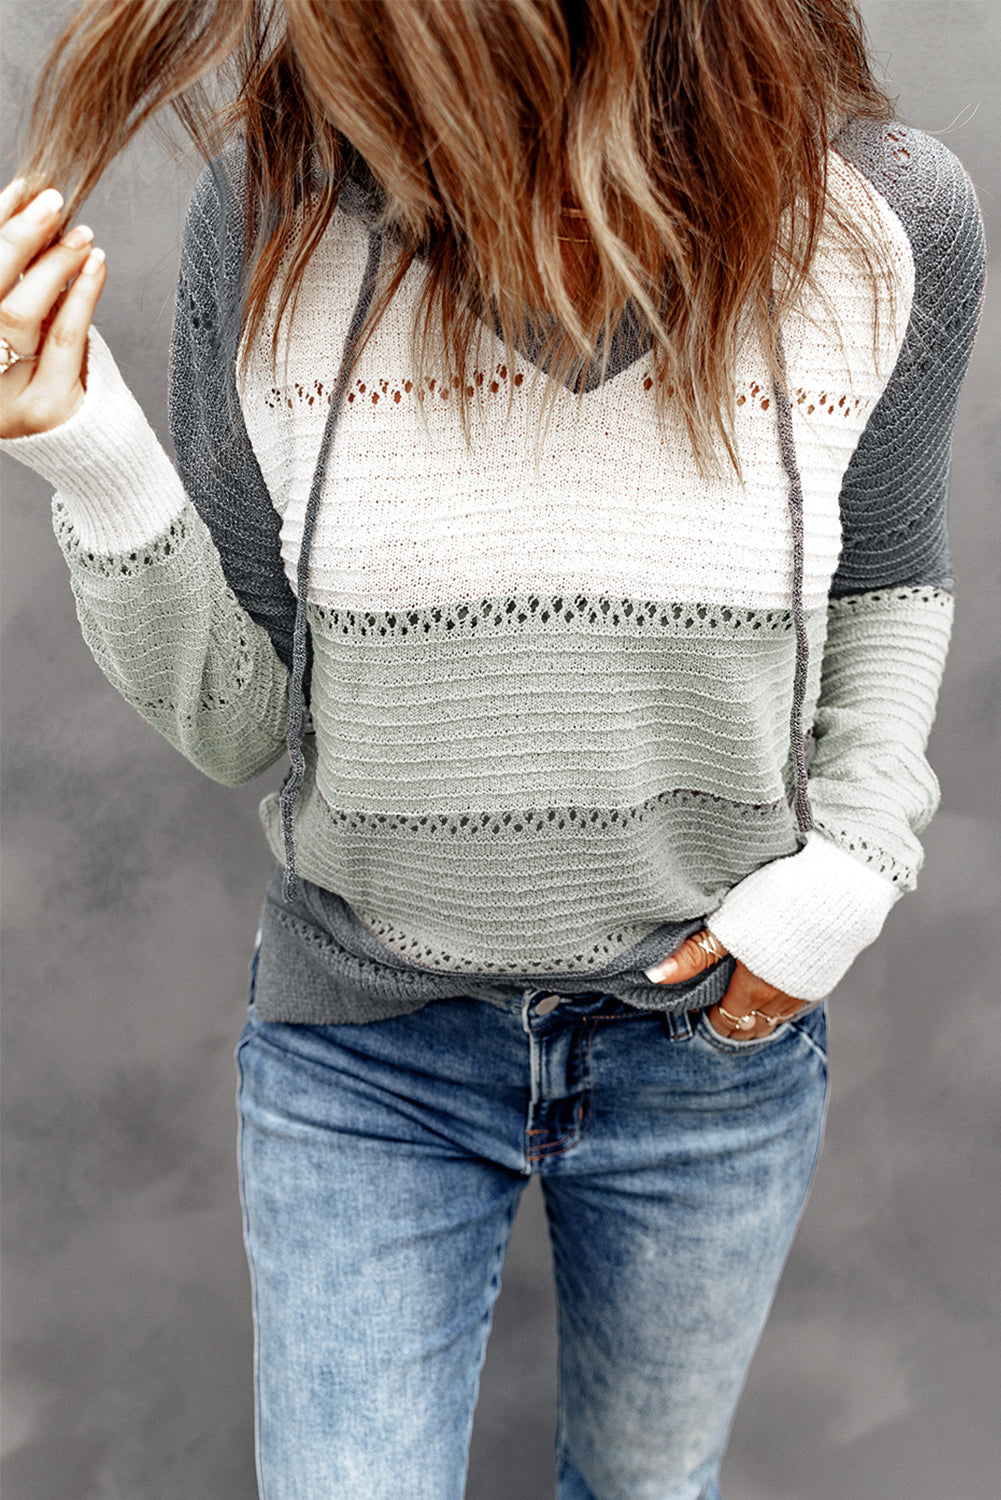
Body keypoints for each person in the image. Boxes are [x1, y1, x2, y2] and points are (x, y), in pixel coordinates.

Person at [0, 1, 985, 1496]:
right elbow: (237, 723)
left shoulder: (883, 218)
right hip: (363, 1056)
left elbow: (888, 581)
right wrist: (85, 444)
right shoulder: (271, 209)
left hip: (703, 1052)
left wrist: (849, 867)